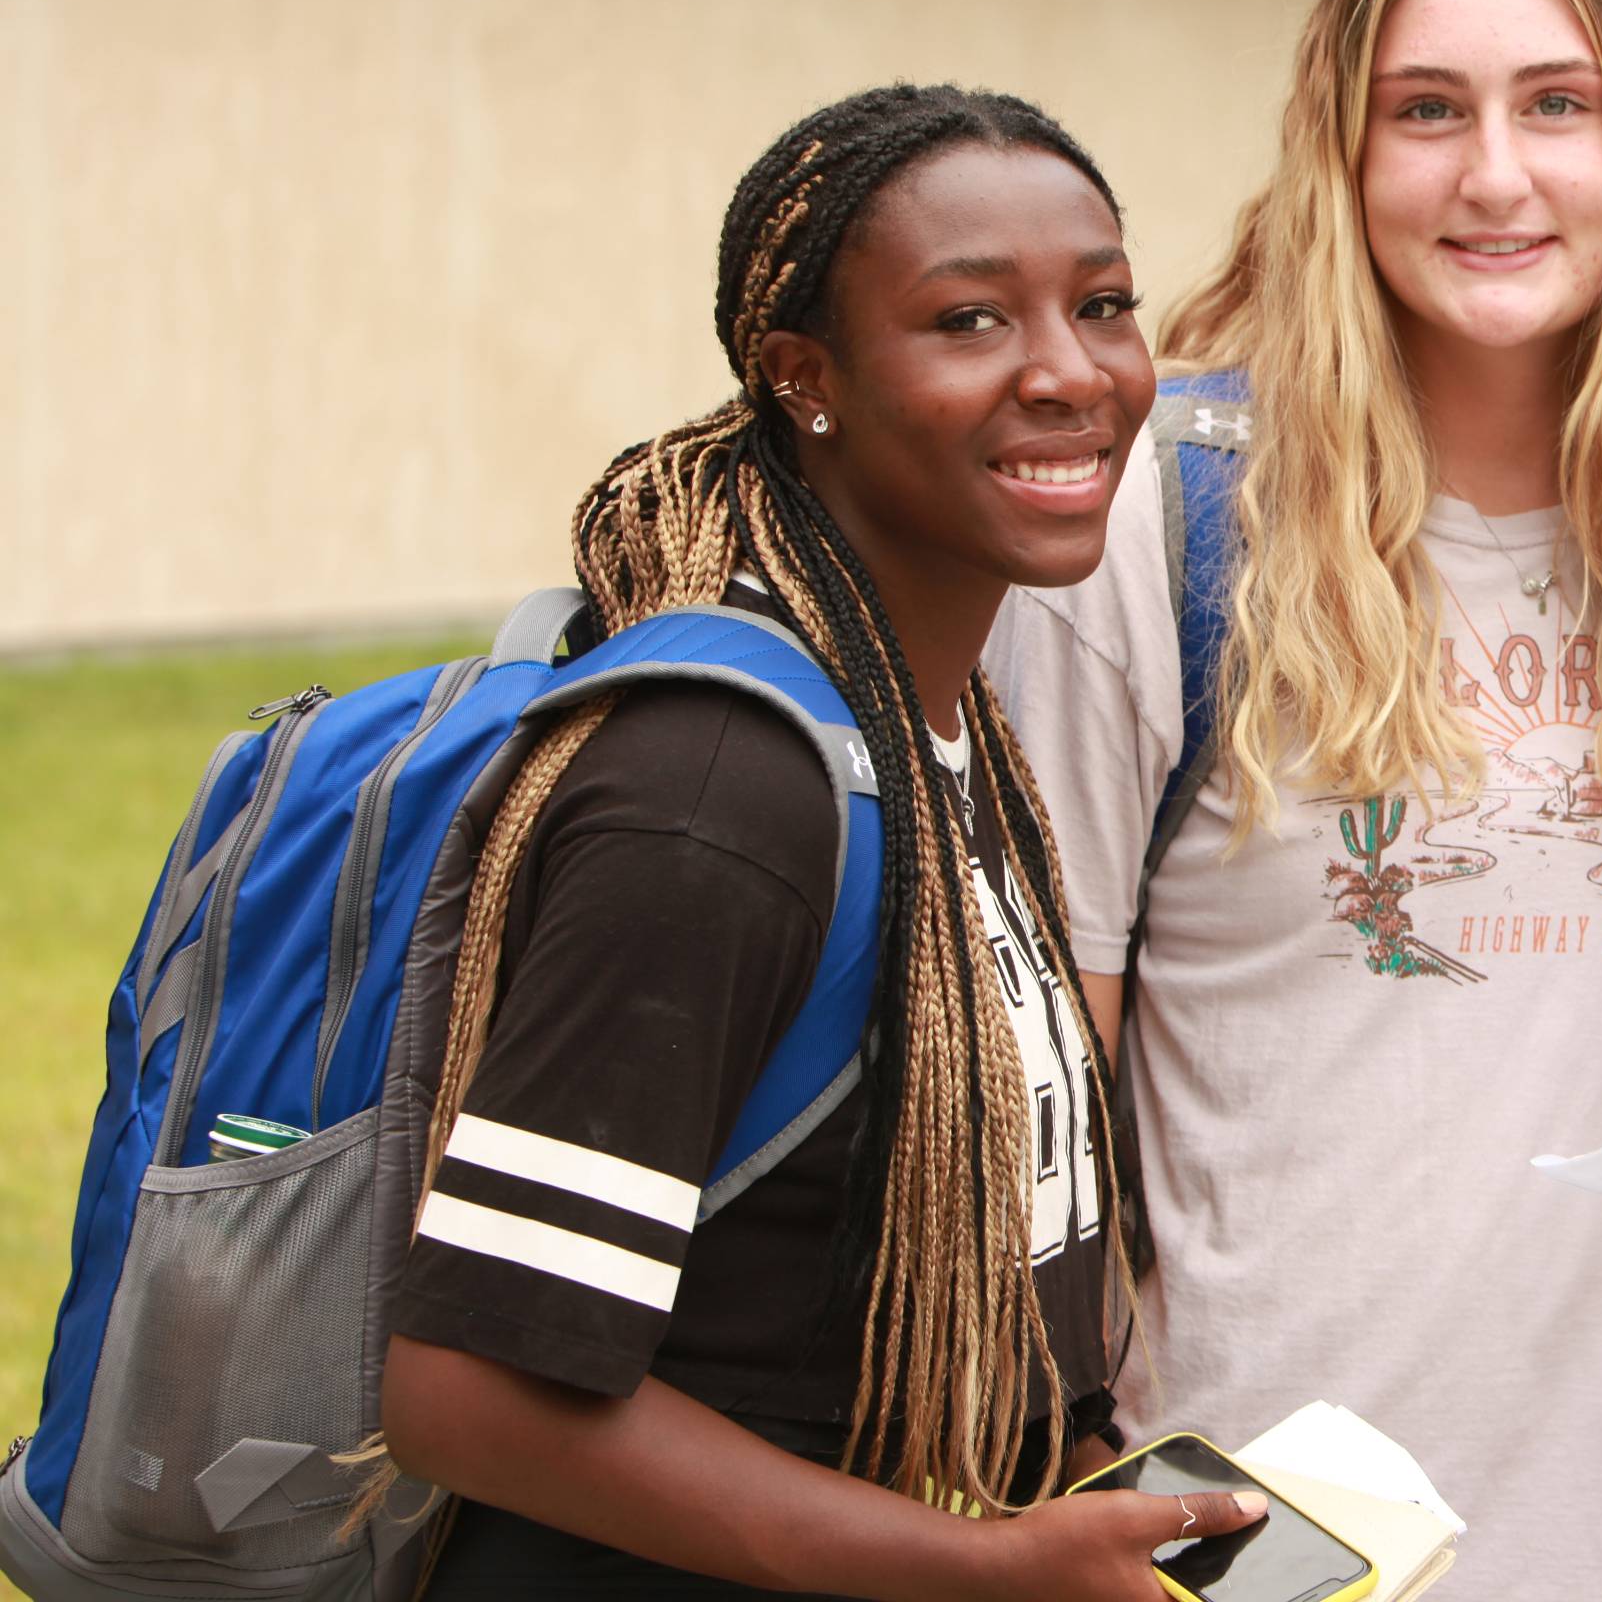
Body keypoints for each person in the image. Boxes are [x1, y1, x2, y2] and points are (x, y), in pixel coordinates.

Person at [984, 0, 1602, 1601]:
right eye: (1426, 109)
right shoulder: (1168, 522)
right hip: (1287, 1545)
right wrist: (1074, 1461)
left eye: (1561, 103)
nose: (1494, 175)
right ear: (1342, 146)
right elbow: (1037, 1087)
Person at [378, 85, 1268, 1598]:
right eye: (970, 321)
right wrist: (972, 1570)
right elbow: (469, 1392)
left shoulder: (952, 740)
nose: (1071, 371)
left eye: (1104, 304)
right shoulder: (718, 790)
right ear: (808, 380)